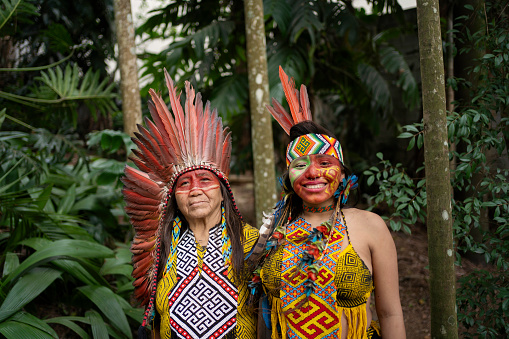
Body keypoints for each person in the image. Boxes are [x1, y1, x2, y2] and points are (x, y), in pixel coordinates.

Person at [247, 66, 405, 338]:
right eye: (300, 164)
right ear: (288, 176)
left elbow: (390, 314)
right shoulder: (273, 230)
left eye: (324, 162)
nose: (312, 173)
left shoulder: (370, 226)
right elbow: (261, 314)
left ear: (342, 172)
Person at [122, 69, 258, 339]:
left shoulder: (254, 243)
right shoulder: (161, 248)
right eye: (184, 184)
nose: (194, 190)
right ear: (174, 196)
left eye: (205, 180)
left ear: (223, 192)